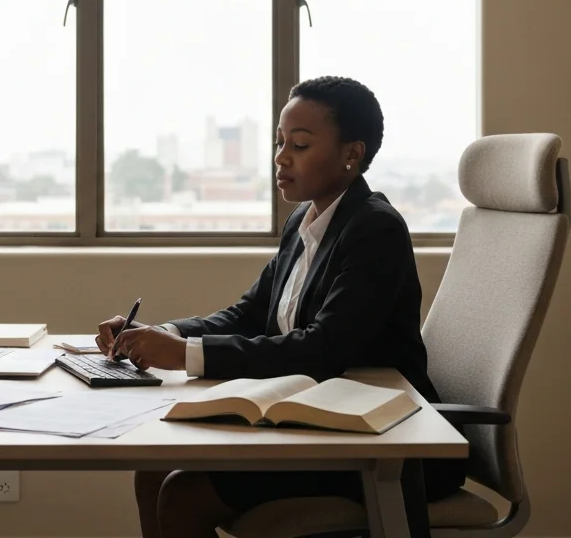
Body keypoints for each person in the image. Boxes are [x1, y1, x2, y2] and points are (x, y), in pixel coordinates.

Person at [97, 76, 465, 538]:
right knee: (152, 471)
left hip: (383, 442)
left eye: (301, 144)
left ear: (352, 153)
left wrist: (186, 355)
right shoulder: (304, 220)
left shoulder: (375, 231)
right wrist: (163, 334)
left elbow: (323, 348)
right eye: (279, 141)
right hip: (317, 426)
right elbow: (249, 312)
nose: (281, 156)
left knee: (182, 495)